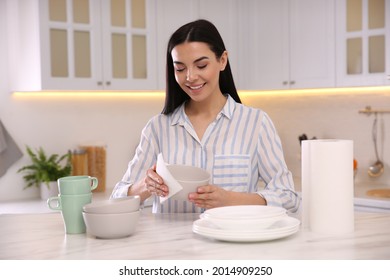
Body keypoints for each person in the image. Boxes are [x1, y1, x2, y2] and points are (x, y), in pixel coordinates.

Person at [111, 19, 300, 213]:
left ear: (222, 60)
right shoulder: (157, 128)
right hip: (171, 243)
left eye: (201, 65)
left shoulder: (256, 123)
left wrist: (231, 199)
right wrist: (145, 186)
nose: (190, 77)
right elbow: (116, 200)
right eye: (180, 68)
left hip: (233, 241)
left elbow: (288, 197)